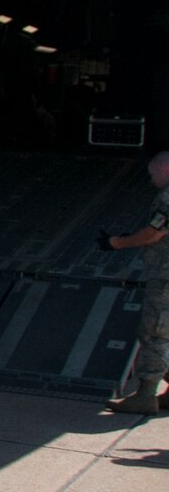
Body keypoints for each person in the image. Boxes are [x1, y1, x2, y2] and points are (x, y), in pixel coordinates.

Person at [100, 151, 169, 415]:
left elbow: (153, 233)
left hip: (166, 277)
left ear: (164, 169)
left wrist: (117, 242)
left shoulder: (167, 197)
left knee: (155, 333)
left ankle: (145, 395)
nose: (151, 180)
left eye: (153, 174)